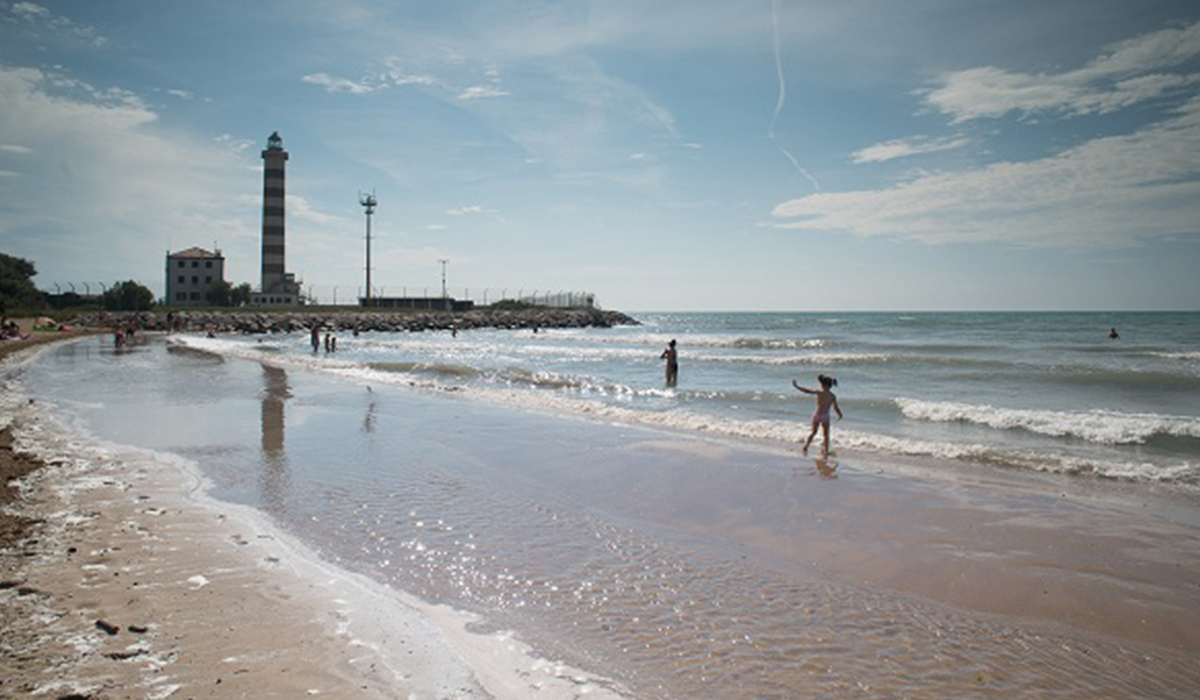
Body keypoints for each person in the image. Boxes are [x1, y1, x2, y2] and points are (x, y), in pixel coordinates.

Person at [793, 374, 843, 457]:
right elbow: (836, 407)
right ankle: (826, 451)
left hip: (817, 415)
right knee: (826, 435)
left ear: (822, 385)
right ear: (830, 386)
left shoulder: (819, 392)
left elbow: (807, 391)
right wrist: (839, 414)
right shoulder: (832, 396)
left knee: (813, 432)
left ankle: (806, 446)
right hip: (825, 416)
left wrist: (797, 386)